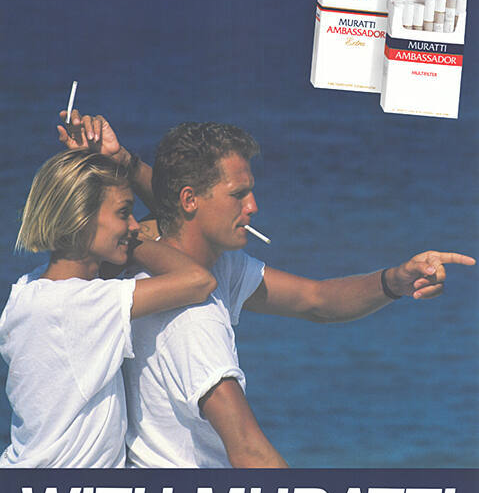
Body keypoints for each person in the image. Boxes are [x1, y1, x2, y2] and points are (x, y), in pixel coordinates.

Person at [59, 112, 476, 468]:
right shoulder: (191, 315)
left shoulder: (211, 267)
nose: (253, 206)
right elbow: (250, 451)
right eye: (238, 194)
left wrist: (395, 280)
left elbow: (317, 300)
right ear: (189, 199)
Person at [0, 150, 216, 467]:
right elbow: (199, 280)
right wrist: (134, 243)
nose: (135, 225)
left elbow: (169, 222)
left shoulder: (27, 290)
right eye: (124, 213)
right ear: (81, 217)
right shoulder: (83, 304)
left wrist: (110, 162)